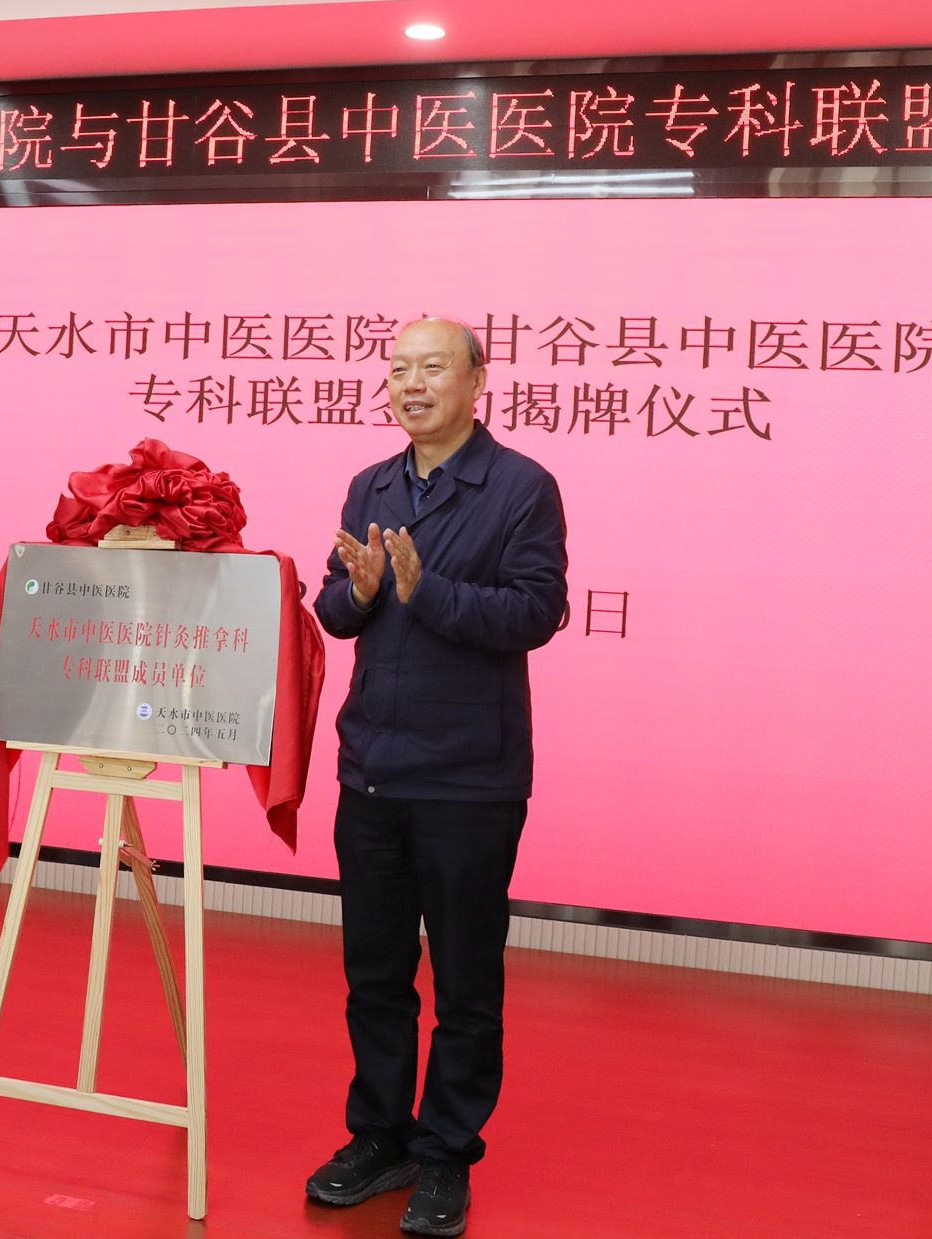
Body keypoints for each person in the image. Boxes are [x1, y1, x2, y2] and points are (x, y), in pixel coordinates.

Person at [307, 316, 567, 1236]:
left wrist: (428, 591)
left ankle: (447, 1151)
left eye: (431, 367)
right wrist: (361, 591)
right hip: (372, 769)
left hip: (469, 778)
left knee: (464, 981)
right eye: (397, 369)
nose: (410, 384)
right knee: (375, 973)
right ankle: (379, 1134)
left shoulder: (522, 487)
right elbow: (333, 605)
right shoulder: (371, 484)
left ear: (476, 382)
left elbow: (537, 611)